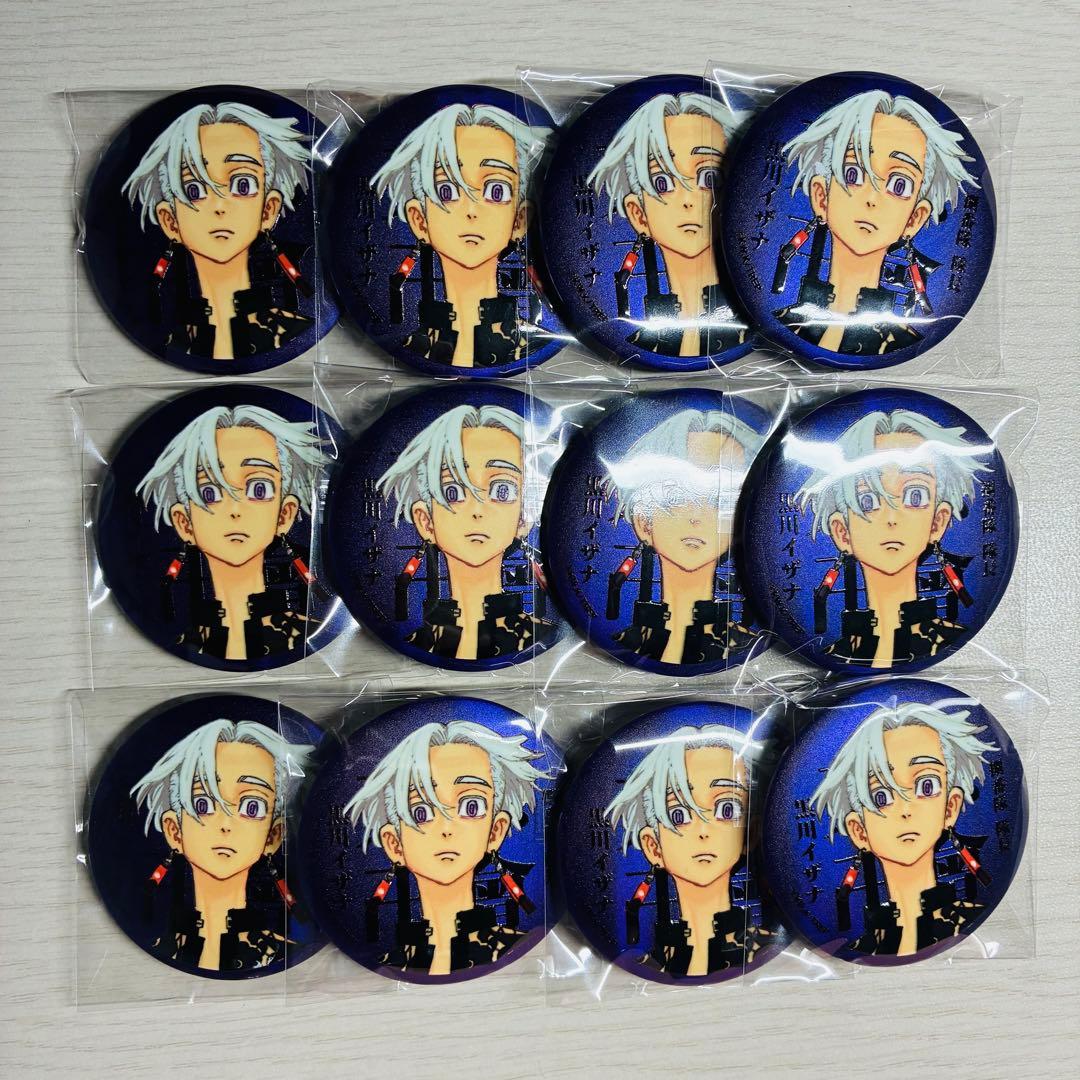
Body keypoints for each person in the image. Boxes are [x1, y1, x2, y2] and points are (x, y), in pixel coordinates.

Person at [775, 90, 978, 354]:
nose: (872, 198)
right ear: (821, 196)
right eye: (853, 174)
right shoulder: (783, 323)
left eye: (899, 184)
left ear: (914, 218)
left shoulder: (900, 342)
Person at [345, 720, 547, 976]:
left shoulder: (513, 949)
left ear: (495, 830)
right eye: (420, 812)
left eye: (471, 806)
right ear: (394, 844)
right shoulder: (392, 962)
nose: (447, 828)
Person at [794, 407, 989, 668]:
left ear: (938, 521)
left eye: (915, 496)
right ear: (842, 531)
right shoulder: (837, 652)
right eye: (867, 501)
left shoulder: (947, 640)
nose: (892, 518)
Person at [124, 102, 314, 361]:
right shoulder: (171, 342)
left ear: (268, 209)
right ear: (170, 221)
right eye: (194, 190)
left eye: (243, 184)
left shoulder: (293, 332)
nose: (219, 206)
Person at [137, 404, 328, 662]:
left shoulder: (307, 633)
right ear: (184, 523)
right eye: (210, 493)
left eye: (259, 488)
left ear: (285, 514)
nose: (235, 510)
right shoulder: (184, 643)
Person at [810, 700, 998, 957]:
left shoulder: (968, 920)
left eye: (927, 786)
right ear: (859, 831)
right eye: (881, 797)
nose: (905, 809)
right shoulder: (861, 949)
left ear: (950, 808)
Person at [372, 103, 551, 367]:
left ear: (520, 219)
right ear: (419, 220)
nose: (471, 210)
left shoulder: (528, 345)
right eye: (446, 191)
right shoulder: (413, 345)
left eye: (496, 190)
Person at [131, 719, 313, 972]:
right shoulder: (155, 953)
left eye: (252, 807)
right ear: (174, 830)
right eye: (203, 804)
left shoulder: (285, 955)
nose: (226, 824)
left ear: (273, 835)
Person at [378, 403, 555, 661]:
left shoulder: (540, 635)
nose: (477, 510)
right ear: (425, 521)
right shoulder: (417, 642)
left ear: (523, 517)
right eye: (453, 492)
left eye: (502, 490)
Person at [588, 91, 748, 358]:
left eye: (709, 178)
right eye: (662, 183)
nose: (688, 200)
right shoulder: (640, 340)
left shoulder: (749, 327)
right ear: (638, 213)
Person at [606, 724, 772, 976]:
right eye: (679, 815)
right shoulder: (651, 963)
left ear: (749, 833)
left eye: (727, 809)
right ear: (653, 846)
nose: (703, 831)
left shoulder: (763, 946)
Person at [604, 407, 763, 665]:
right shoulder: (625, 641)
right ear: (643, 522)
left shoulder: (744, 643)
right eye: (675, 497)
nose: (696, 517)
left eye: (720, 499)